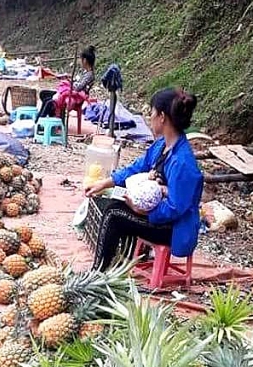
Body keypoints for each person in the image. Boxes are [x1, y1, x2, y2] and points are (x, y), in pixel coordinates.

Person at [85, 88, 203, 272]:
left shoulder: (183, 163)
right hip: (158, 215)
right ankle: (120, 264)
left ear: (162, 117)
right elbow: (136, 168)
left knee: (114, 214)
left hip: (173, 227)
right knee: (115, 202)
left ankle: (98, 273)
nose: (150, 118)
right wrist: (105, 183)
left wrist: (142, 211)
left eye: (152, 113)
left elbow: (175, 208)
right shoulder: (161, 145)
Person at [40, 46, 96, 118]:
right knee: (43, 94)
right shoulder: (85, 72)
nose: (80, 61)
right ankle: (50, 116)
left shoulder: (89, 75)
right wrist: (69, 78)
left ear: (85, 60)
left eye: (81, 59)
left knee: (48, 102)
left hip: (74, 97)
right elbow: (77, 81)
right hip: (70, 93)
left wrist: (69, 81)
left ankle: (43, 120)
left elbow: (78, 88)